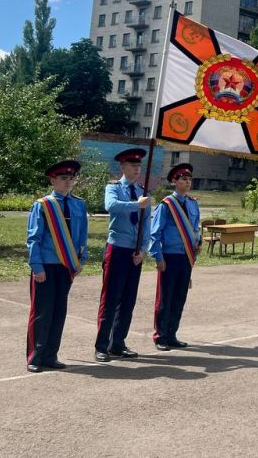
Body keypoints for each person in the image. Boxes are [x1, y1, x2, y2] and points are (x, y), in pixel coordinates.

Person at [26, 159, 88, 373]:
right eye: (63, 178)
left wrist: (80, 260)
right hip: (46, 265)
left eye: (71, 178)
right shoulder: (43, 205)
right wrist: (37, 266)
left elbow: (82, 237)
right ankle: (35, 356)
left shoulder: (79, 204)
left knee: (59, 312)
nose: (68, 182)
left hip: (66, 267)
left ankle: (51, 355)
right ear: (53, 180)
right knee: (42, 311)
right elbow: (34, 238)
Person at [95, 147, 152, 361]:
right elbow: (111, 206)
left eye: (139, 166)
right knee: (110, 298)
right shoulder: (114, 188)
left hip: (134, 253)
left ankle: (117, 343)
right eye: (132, 165)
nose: (137, 169)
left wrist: (144, 250)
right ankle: (102, 345)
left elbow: (147, 223)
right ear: (123, 166)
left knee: (128, 300)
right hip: (117, 248)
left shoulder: (143, 192)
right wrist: (134, 205)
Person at [150, 163, 201, 351]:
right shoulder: (166, 205)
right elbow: (155, 233)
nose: (187, 182)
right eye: (183, 179)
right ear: (174, 181)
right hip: (169, 256)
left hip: (186, 256)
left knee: (179, 297)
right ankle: (160, 336)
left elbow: (195, 229)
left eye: (189, 179)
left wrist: (199, 242)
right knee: (165, 298)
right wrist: (158, 257)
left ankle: (172, 334)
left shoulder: (193, 203)